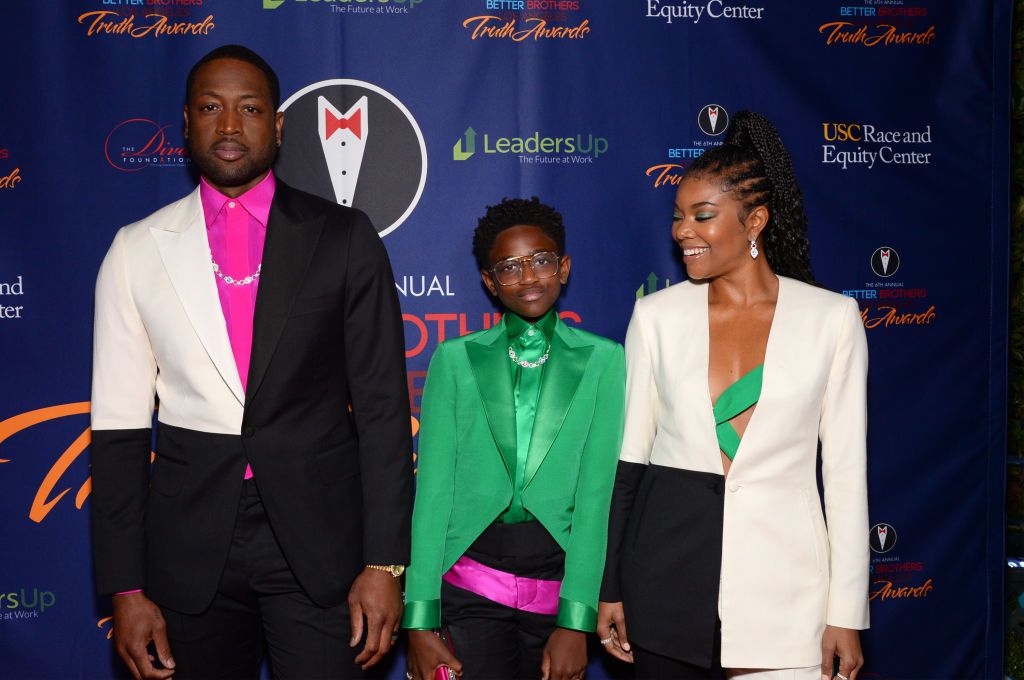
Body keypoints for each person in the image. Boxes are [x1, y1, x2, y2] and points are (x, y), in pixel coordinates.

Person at [90, 45, 412, 680]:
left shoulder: (344, 237)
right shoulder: (134, 249)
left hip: (322, 547)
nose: (230, 126)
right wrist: (125, 589)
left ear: (280, 124)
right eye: (211, 108)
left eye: (250, 108)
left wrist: (385, 564)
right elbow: (118, 434)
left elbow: (381, 413)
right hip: (188, 551)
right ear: (186, 122)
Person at [597, 111, 869, 680]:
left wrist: (846, 612)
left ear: (755, 221)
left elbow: (844, 475)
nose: (681, 231)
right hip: (665, 589)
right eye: (677, 217)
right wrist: (610, 588)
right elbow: (629, 464)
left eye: (702, 216)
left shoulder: (832, 319)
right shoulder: (656, 317)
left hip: (788, 600)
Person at [401, 198, 625, 680]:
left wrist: (576, 619)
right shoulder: (455, 359)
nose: (528, 277)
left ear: (563, 268)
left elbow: (596, 496)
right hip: (470, 585)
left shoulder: (606, 361)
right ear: (489, 281)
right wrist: (419, 617)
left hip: (558, 584)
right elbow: (433, 493)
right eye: (509, 267)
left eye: (542, 260)